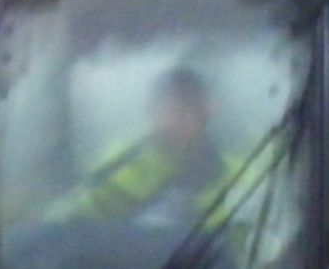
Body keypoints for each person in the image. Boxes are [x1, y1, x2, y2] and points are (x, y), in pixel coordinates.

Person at [51, 67, 234, 223]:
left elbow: (246, 246)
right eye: (168, 107)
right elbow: (73, 212)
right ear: (152, 111)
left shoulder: (237, 177)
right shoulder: (120, 163)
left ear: (206, 113)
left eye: (187, 107)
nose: (176, 117)